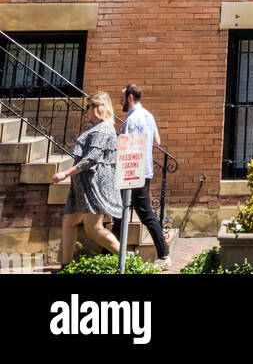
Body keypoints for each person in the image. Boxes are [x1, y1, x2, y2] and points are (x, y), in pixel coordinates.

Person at [51, 91, 123, 267]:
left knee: (94, 230)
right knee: (69, 221)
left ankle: (128, 260)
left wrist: (65, 174)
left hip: (93, 185)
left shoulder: (104, 129)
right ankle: (65, 265)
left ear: (99, 108)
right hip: (81, 186)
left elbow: (91, 159)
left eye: (88, 107)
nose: (85, 111)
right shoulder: (96, 127)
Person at [113, 83, 171, 268]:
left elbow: (125, 147)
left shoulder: (132, 119)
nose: (120, 102)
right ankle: (111, 253)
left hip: (132, 172)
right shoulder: (148, 115)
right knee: (120, 215)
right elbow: (157, 141)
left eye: (122, 98)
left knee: (143, 215)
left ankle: (164, 255)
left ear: (130, 97)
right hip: (145, 171)